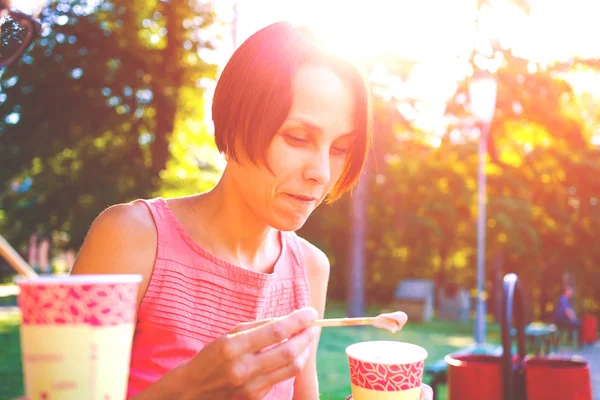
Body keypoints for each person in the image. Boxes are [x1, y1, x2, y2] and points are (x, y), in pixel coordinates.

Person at [6, 13, 432, 400]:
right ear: (236, 122)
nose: (321, 172)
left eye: (340, 148)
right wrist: (188, 390)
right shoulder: (131, 237)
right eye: (298, 138)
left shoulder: (309, 268)